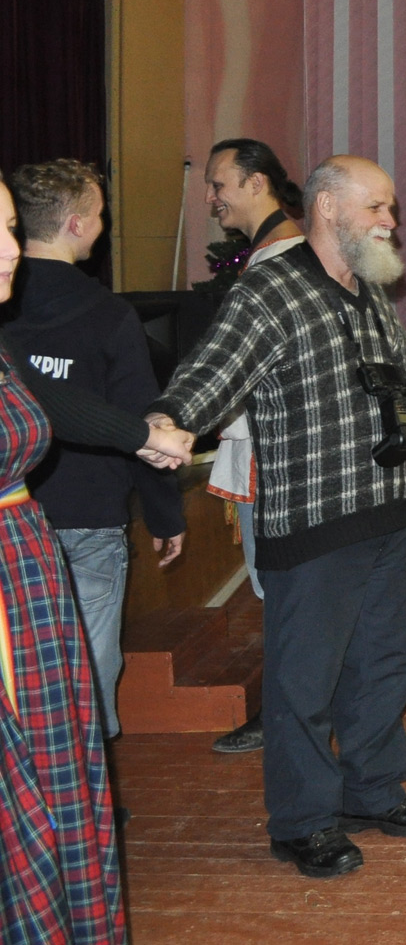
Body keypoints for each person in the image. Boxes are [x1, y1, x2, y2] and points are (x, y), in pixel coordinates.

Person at [148, 156, 406, 878]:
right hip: (312, 526)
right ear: (330, 209)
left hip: (381, 515)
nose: (390, 221)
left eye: (390, 208)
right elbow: (212, 369)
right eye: (377, 206)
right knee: (303, 683)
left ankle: (373, 791)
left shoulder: (365, 293)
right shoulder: (269, 290)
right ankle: (303, 821)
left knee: (383, 665)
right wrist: (171, 418)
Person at [0, 179, 192, 943]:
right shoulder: (104, 313)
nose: (11, 251)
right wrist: (151, 458)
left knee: (63, 742)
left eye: (12, 227)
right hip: (30, 569)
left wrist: (142, 437)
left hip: (31, 564)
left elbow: (47, 404)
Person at [2, 160, 187, 740]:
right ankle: (87, 783)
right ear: (77, 225)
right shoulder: (109, 314)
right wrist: (164, 513)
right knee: (88, 673)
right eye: (102, 216)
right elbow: (136, 414)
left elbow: (55, 403)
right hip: (86, 514)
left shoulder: (8, 311)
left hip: (24, 521)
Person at [200, 137, 308, 755]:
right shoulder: (277, 254)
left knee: (284, 589)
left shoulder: (279, 259)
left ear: (256, 183)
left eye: (219, 184)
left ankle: (287, 714)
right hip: (270, 449)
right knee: (284, 589)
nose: (211, 198)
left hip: (276, 455)